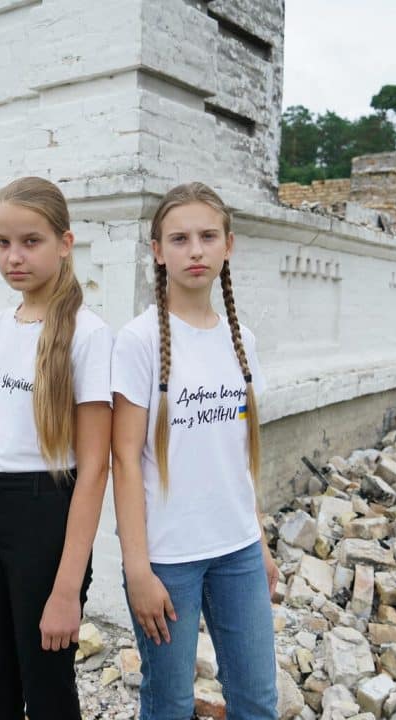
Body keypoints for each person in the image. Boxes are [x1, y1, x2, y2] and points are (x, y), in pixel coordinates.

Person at [0, 176, 113, 720]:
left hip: (42, 516)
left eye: (31, 241)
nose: (14, 256)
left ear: (65, 243)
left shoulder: (87, 334)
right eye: (2, 242)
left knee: (48, 689)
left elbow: (94, 469)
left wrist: (67, 590)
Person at [111, 182, 279, 720]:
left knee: (257, 700)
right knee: (170, 703)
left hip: (239, 550)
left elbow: (239, 455)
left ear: (229, 245)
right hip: (168, 560)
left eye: (208, 236)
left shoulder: (242, 339)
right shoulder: (138, 341)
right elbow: (124, 460)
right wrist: (138, 569)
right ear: (158, 251)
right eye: (179, 239)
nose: (196, 250)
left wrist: (260, 541)